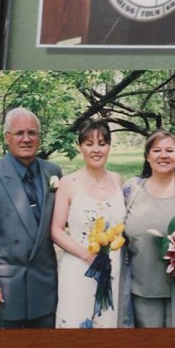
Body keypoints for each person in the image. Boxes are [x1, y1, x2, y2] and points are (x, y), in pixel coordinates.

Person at [0, 108, 61, 328]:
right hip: (5, 287)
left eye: (32, 133)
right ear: (7, 137)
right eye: (19, 133)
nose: (26, 139)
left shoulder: (53, 171)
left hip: (45, 285)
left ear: (39, 137)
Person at [120, 130, 175, 328]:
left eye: (169, 150)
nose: (163, 155)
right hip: (141, 289)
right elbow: (119, 234)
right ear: (147, 156)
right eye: (157, 150)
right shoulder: (131, 189)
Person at [51, 120, 125, 328]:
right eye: (89, 143)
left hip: (111, 267)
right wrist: (87, 256)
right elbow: (56, 231)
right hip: (79, 267)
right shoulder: (68, 183)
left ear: (109, 146)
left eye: (102, 143)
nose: (96, 149)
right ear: (80, 147)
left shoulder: (118, 179)